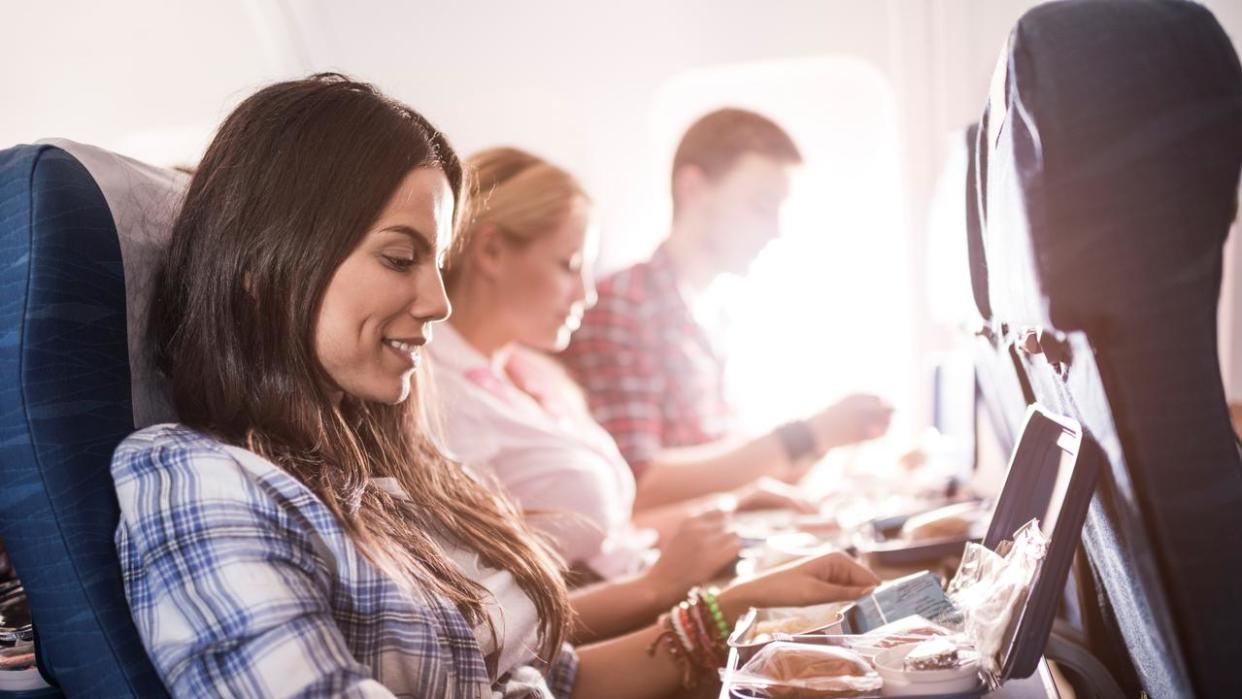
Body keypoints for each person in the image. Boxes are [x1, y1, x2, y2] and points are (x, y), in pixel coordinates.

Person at [112, 74, 880, 698]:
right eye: (398, 258)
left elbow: (557, 677)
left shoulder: (387, 474)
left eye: (433, 261)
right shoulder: (199, 483)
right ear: (264, 267)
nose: (437, 303)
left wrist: (741, 604)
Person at [430, 147, 815, 640]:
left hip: (645, 589)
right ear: (491, 253)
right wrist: (661, 585)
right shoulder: (441, 400)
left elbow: (611, 536)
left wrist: (731, 503)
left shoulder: (536, 373)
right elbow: (499, 627)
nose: (587, 294)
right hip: (610, 631)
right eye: (568, 265)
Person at [561, 108, 894, 510]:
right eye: (761, 206)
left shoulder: (717, 318)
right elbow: (638, 482)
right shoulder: (624, 306)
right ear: (693, 188)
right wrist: (806, 435)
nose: (775, 230)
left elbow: (730, 465)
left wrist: (830, 438)